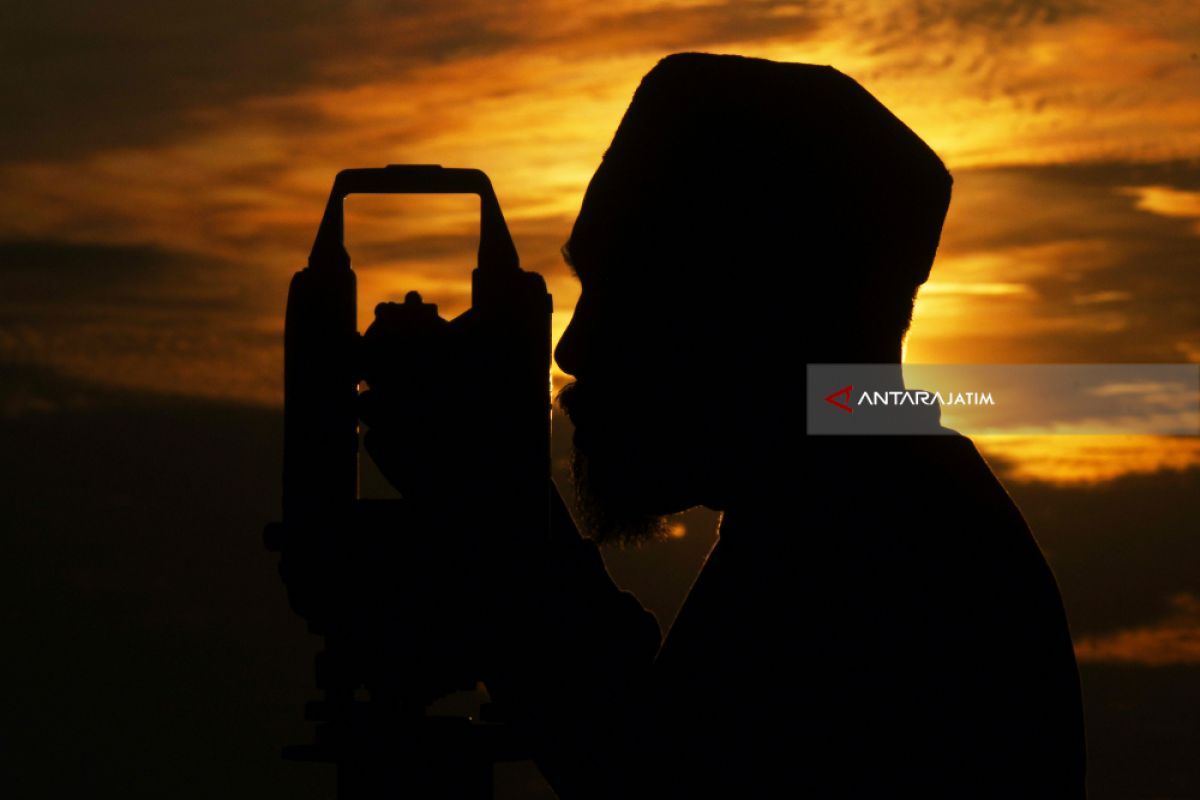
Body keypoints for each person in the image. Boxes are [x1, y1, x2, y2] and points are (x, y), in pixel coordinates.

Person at [360, 52, 1088, 798]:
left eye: (627, 290)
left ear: (753, 309)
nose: (574, 347)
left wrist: (489, 517)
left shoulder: (888, 564)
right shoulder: (873, 513)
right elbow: (665, 742)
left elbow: (661, 778)